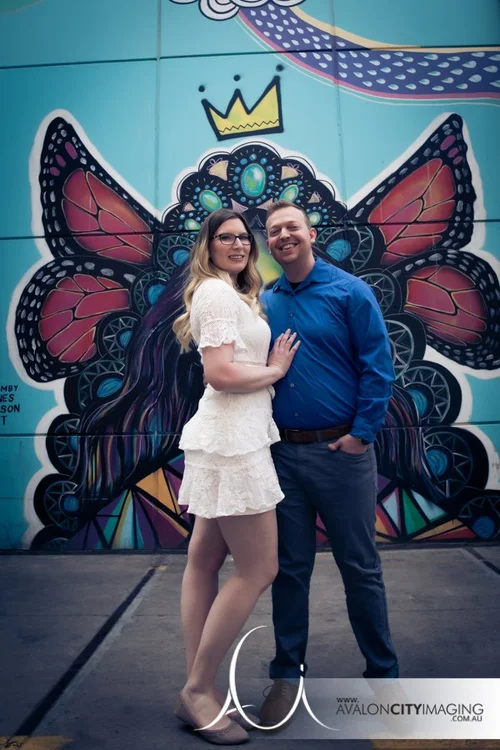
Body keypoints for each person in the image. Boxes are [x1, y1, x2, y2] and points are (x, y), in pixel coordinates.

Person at [259, 200, 399, 727]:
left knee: (360, 568)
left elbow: (378, 366)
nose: (283, 235)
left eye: (291, 227)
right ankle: (286, 676)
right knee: (289, 570)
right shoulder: (266, 300)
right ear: (268, 242)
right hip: (282, 456)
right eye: (274, 230)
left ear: (311, 233)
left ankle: (384, 677)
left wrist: (361, 435)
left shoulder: (350, 292)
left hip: (341, 454)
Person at [171, 208, 300, 744]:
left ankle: (197, 689)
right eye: (226, 237)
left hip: (230, 435)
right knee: (259, 567)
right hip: (234, 442)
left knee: (204, 560)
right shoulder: (216, 294)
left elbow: (226, 367)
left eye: (245, 237)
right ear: (208, 245)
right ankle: (199, 689)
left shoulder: (232, 292)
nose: (239, 244)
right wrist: (275, 370)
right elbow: (220, 373)